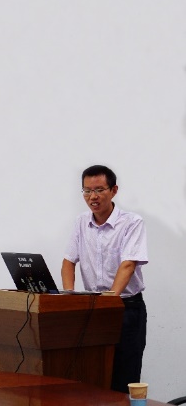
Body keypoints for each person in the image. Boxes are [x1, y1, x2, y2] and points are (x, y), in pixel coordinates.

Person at [61, 164, 148, 394]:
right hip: (93, 307)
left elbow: (128, 264)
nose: (93, 197)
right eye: (87, 191)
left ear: (114, 190)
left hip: (126, 307)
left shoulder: (131, 222)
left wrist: (109, 301)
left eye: (99, 190)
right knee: (94, 374)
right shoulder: (81, 222)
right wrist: (69, 297)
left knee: (124, 375)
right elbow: (68, 262)